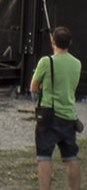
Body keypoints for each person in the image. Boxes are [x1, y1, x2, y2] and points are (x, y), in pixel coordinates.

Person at [33, 25, 82, 190]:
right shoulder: (77, 64)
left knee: (44, 157)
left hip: (49, 115)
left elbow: (33, 86)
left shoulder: (46, 62)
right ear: (70, 42)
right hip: (69, 115)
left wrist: (42, 88)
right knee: (71, 157)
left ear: (53, 41)